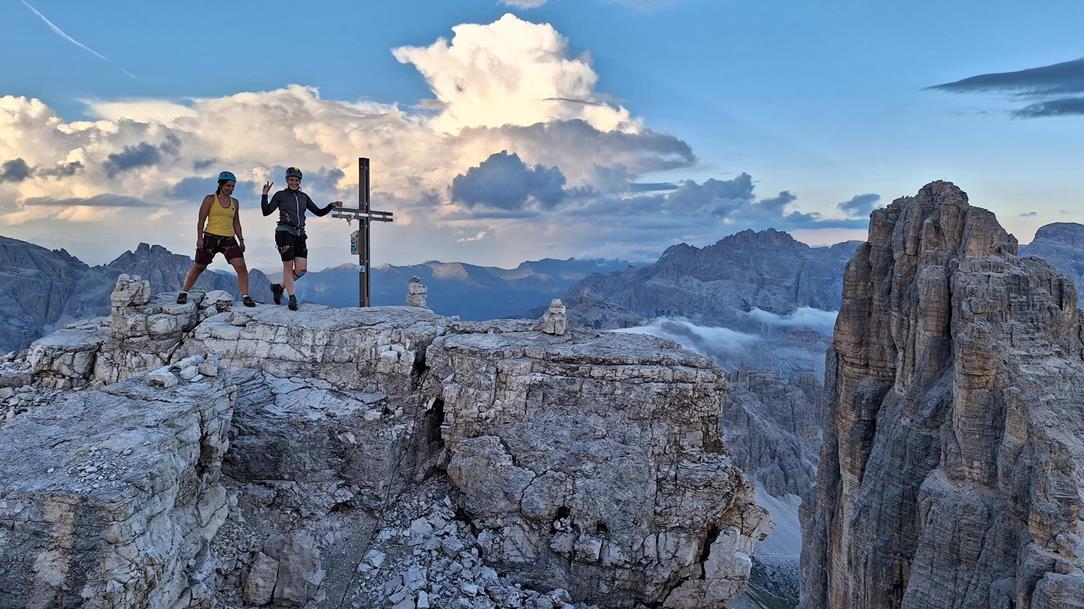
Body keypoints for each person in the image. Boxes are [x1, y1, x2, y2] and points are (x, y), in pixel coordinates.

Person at [261, 167, 342, 310]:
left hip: (300, 234)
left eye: (296, 180)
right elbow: (266, 212)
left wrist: (331, 205)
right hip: (284, 232)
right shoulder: (280, 195)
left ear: (300, 181)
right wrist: (264, 195)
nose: (294, 182)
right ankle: (292, 297)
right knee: (287, 267)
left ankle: (279, 287)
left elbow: (318, 212)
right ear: (287, 180)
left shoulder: (304, 197)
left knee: (301, 270)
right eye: (291, 180)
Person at [177, 171, 255, 307]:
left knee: (241, 266)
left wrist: (241, 240)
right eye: (228, 186)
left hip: (229, 239)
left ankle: (246, 296)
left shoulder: (235, 203)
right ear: (220, 185)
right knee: (199, 266)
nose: (231, 189)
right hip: (210, 237)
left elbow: (236, 222)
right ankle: (184, 292)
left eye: (233, 186)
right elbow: (201, 220)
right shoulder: (210, 199)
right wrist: (199, 238)